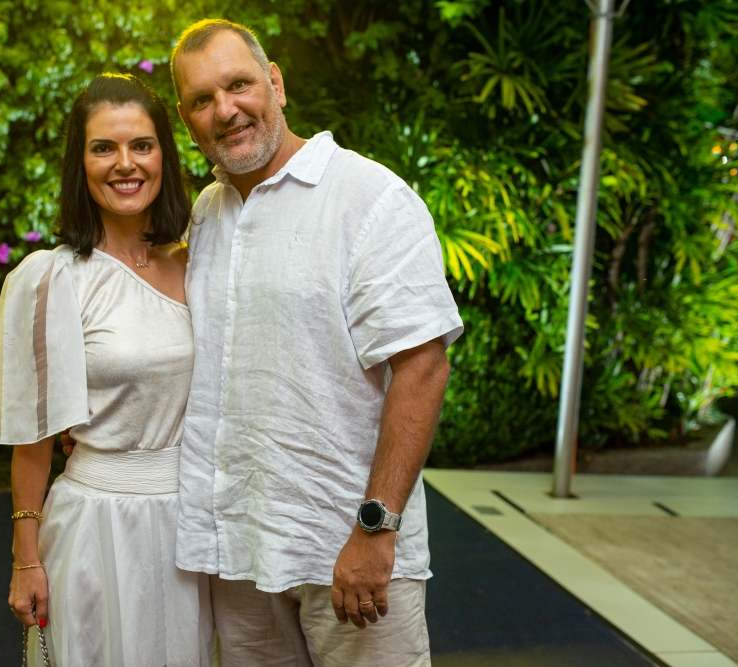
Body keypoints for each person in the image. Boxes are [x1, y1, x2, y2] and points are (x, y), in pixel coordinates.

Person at [170, 19, 463, 667]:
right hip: (238, 552)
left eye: (239, 84)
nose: (226, 109)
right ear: (187, 121)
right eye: (201, 99)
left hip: (347, 548)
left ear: (275, 84)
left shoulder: (368, 197)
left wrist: (375, 529)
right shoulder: (206, 215)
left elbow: (423, 367)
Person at [0, 73, 214, 667]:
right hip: (98, 525)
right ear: (80, 163)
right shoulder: (53, 279)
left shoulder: (202, 262)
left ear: (164, 156)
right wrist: (25, 558)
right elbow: (33, 442)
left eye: (141, 145)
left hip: (196, 526)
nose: (125, 164)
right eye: (103, 148)